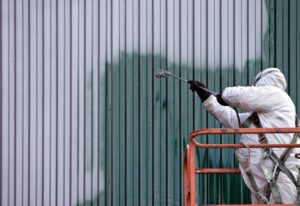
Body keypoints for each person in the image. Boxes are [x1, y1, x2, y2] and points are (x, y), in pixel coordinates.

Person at [188, 68, 300, 204]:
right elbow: (231, 119)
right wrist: (207, 97)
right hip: (264, 175)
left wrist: (224, 95)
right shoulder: (261, 115)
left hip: (279, 173)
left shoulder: (277, 96)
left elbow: (245, 96)